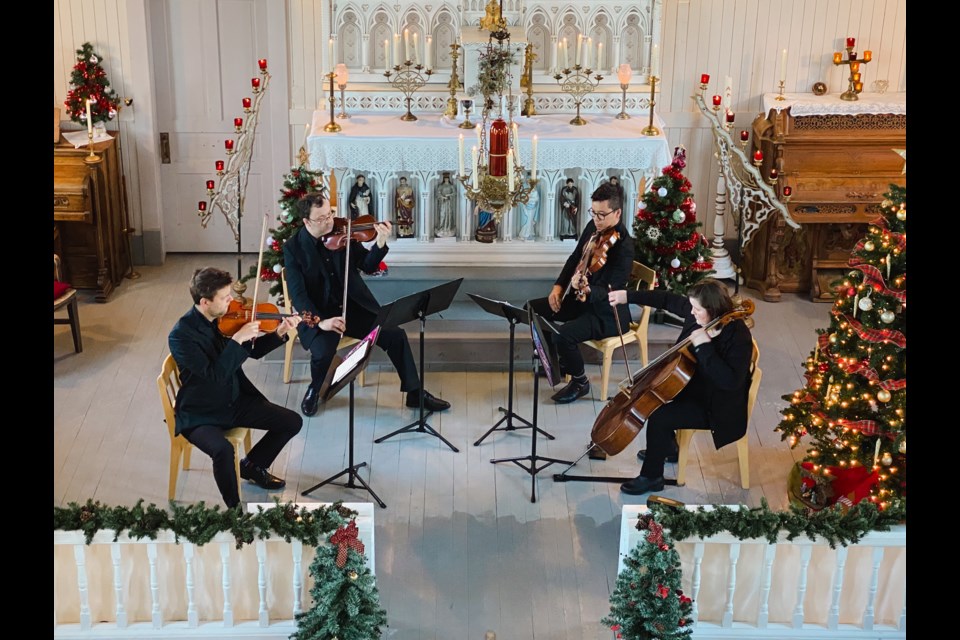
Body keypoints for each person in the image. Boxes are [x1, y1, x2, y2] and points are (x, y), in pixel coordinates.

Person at [283, 191, 451, 417]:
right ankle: (315, 388)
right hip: (319, 316)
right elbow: (298, 294)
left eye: (330, 214)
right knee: (323, 351)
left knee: (395, 335)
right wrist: (321, 322)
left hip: (353, 308)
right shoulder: (293, 248)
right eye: (321, 219)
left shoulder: (343, 233)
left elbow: (368, 266)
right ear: (306, 221)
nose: (329, 222)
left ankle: (414, 393)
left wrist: (380, 243)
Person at [168, 267, 303, 509]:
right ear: (205, 302)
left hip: (233, 398)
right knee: (222, 450)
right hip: (201, 411)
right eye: (225, 297)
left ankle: (252, 466)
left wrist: (280, 332)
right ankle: (235, 509)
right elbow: (215, 375)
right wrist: (238, 339)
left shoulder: (224, 320)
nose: (232, 301)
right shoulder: (181, 336)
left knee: (292, 421)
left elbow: (254, 351)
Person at [606, 278, 754, 495]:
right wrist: (627, 296)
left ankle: (651, 477)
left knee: (659, 415)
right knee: (658, 393)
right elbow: (666, 299)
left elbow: (730, 382)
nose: (691, 312)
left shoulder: (738, 336)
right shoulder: (700, 315)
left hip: (717, 406)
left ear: (713, 309)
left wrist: (704, 346)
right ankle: (668, 448)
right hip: (697, 386)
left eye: (697, 309)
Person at [528, 181, 634, 404]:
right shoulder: (593, 228)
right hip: (582, 301)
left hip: (607, 314)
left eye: (602, 215)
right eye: (593, 213)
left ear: (618, 213)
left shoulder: (624, 247)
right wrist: (559, 287)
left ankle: (579, 381)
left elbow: (612, 291)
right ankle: (553, 363)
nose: (596, 219)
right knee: (532, 309)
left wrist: (585, 288)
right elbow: (575, 258)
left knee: (564, 334)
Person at [517, 175, 540, 240]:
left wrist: (531, 199)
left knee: (530, 220)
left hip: (532, 207)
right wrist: (526, 201)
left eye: (530, 181)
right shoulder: (524, 187)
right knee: (526, 220)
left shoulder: (535, 189)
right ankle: (524, 234)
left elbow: (537, 198)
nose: (528, 182)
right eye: (528, 180)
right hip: (525, 207)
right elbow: (522, 197)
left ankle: (530, 233)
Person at [435, 173, 457, 238]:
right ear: (444, 179)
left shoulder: (451, 186)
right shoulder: (441, 186)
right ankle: (441, 228)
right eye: (445, 178)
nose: (446, 179)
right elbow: (438, 193)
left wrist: (449, 195)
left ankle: (448, 228)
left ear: (449, 179)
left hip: (449, 203)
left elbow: (454, 193)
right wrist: (442, 197)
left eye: (447, 178)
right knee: (442, 215)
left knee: (449, 214)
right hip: (443, 203)